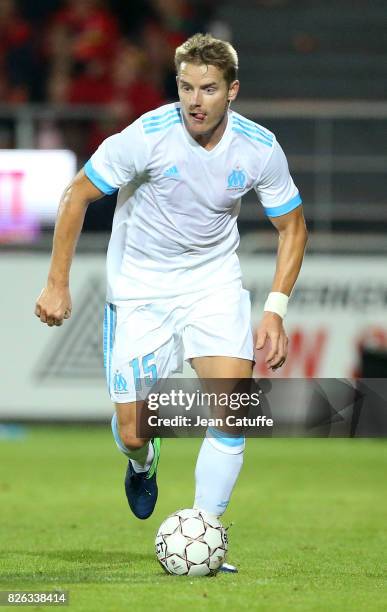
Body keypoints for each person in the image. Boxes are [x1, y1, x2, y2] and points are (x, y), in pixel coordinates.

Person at [35, 33, 308, 572]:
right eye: (185, 86)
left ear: (232, 91)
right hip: (141, 290)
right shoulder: (148, 136)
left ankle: (205, 532)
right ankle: (143, 464)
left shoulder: (258, 147)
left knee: (232, 410)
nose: (194, 100)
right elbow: (77, 195)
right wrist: (57, 283)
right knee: (135, 431)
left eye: (207, 89)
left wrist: (274, 308)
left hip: (213, 286)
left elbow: (292, 226)